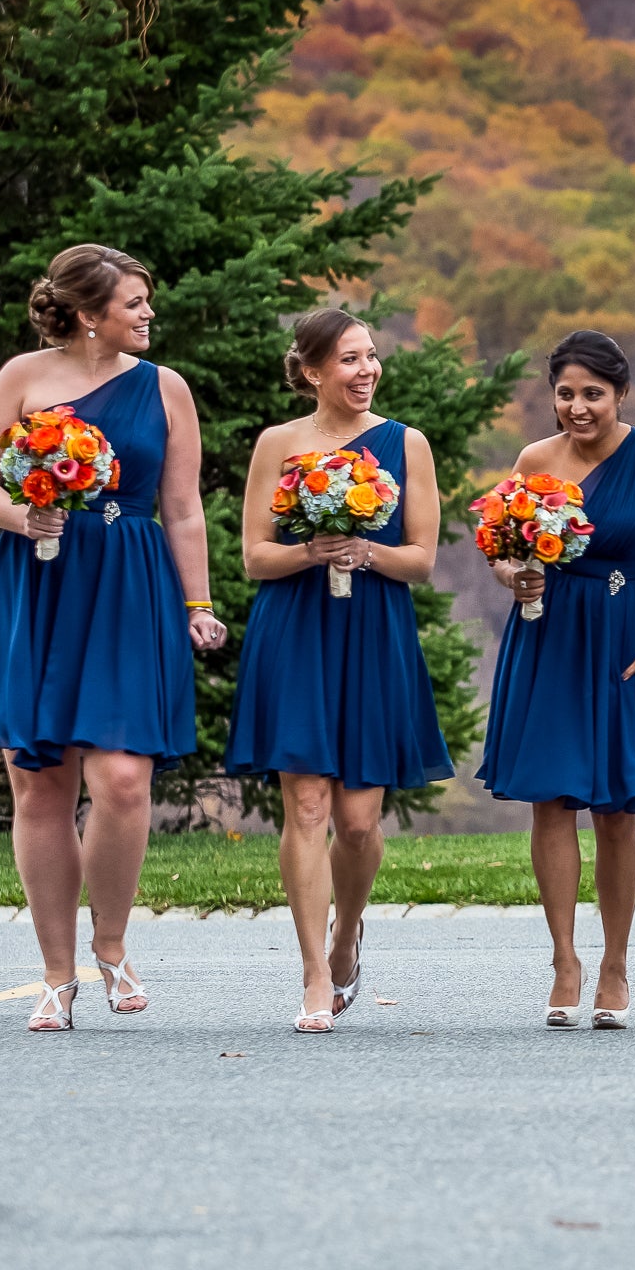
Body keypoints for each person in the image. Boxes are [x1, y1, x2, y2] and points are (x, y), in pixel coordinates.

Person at [0, 244, 228, 1032]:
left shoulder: (165, 388)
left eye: (148, 301)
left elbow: (182, 508)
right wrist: (21, 513)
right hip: (35, 584)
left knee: (121, 781)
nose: (148, 314)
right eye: (134, 303)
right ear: (87, 313)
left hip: (128, 586)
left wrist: (197, 601)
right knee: (40, 783)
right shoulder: (22, 377)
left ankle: (111, 944)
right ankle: (55, 972)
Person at [225, 307, 452, 1034]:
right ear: (313, 371)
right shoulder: (279, 443)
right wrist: (313, 550)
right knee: (309, 808)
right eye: (349, 359)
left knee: (357, 823)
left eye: (371, 356)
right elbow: (256, 554)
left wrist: (364, 553)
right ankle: (314, 973)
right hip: (294, 629)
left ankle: (347, 933)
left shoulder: (405, 443)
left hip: (373, 632)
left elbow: (421, 558)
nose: (366, 370)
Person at [477, 330, 635, 1030]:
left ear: (620, 393)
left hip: (628, 634)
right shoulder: (534, 459)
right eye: (566, 393)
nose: (577, 406)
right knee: (552, 801)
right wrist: (514, 574)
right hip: (550, 635)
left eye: (592, 394)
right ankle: (564, 959)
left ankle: (616, 964)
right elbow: (501, 552)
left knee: (616, 808)